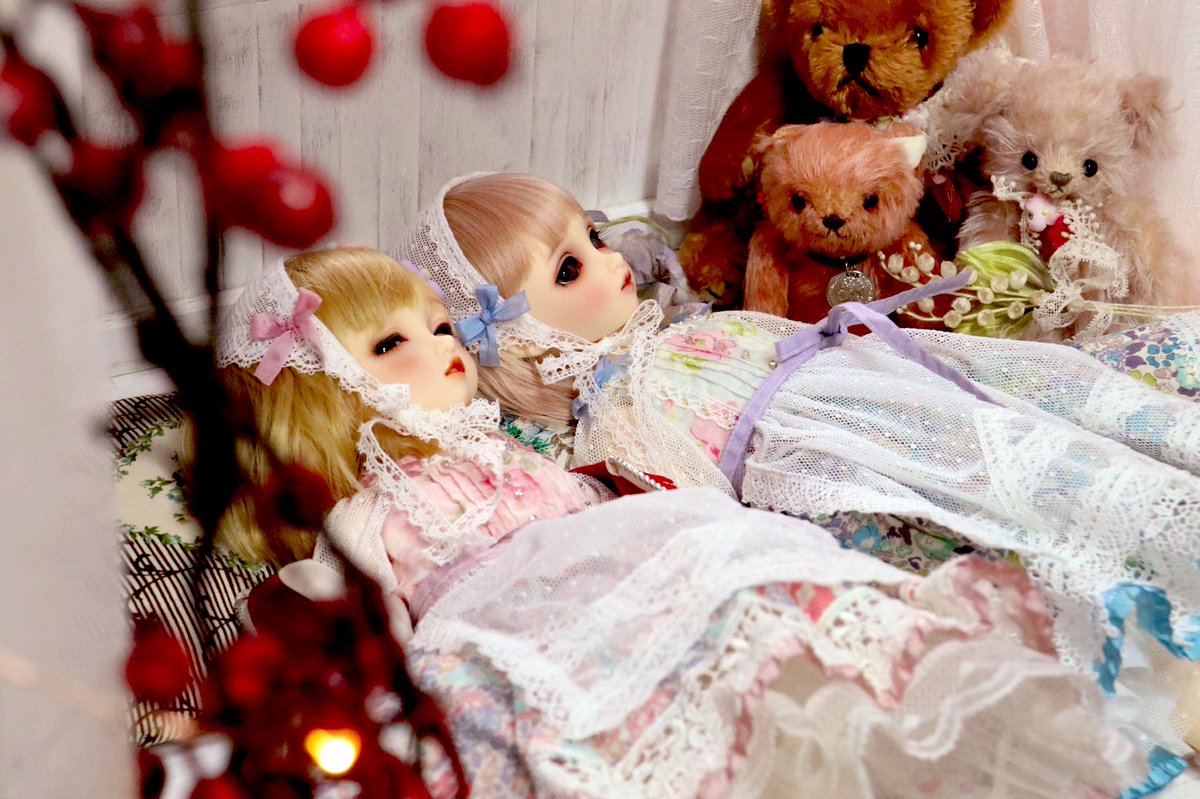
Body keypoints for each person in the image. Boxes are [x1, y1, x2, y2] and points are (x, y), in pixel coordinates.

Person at [215, 246, 1141, 798]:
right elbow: (349, 645)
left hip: (652, 567)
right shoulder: (371, 515)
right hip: (537, 637)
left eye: (438, 324)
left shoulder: (520, 449)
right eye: (391, 344)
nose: (441, 346)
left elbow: (605, 505)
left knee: (774, 614)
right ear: (321, 399)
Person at [393, 171, 1200, 770]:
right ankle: (1145, 647)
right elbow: (701, 517)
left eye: (593, 239)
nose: (609, 264)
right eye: (569, 270)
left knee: (1033, 439)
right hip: (848, 470)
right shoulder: (616, 417)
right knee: (1000, 527)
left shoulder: (673, 334)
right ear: (517, 341)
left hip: (887, 397)